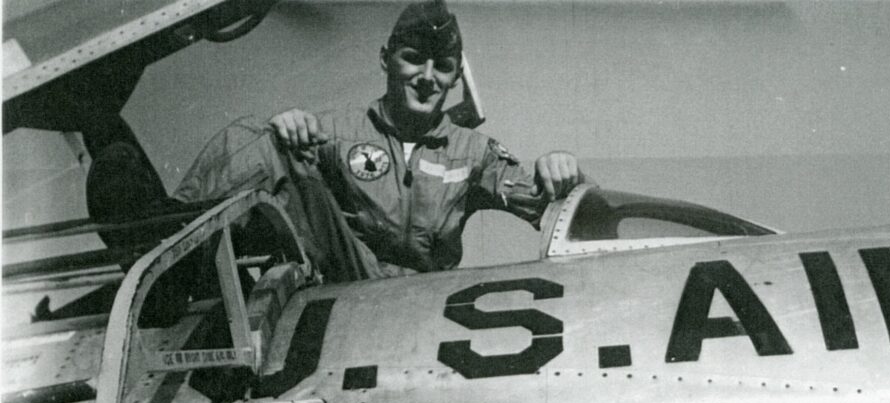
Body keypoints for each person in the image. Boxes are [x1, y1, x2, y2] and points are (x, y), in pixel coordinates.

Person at [90, 0, 585, 283]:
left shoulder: (473, 153)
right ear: (387, 60)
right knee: (262, 136)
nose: (427, 77)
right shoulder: (341, 130)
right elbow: (286, 164)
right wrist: (288, 126)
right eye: (414, 59)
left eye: (443, 67)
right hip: (349, 277)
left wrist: (561, 171)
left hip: (421, 293)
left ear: (455, 79)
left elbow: (551, 204)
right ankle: (165, 248)